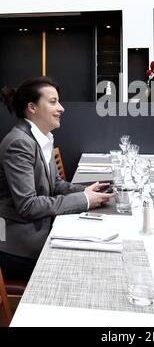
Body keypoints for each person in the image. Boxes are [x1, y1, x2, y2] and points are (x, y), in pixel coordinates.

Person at [0, 76, 115, 280]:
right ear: (32, 108)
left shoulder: (41, 137)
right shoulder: (19, 143)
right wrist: (84, 200)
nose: (61, 108)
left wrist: (86, 191)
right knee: (88, 267)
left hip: (40, 229)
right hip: (18, 246)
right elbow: (28, 205)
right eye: (53, 102)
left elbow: (54, 183)